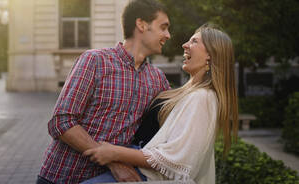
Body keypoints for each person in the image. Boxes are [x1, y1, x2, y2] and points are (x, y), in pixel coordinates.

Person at [37, 0, 172, 184]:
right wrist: (115, 163)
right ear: (141, 24)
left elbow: (176, 119)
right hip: (62, 177)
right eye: (163, 27)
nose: (168, 35)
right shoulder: (95, 60)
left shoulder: (157, 79)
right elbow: (61, 121)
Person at [83, 24, 239, 184]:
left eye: (194, 41)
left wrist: (115, 153)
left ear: (210, 56)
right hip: (137, 167)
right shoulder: (185, 92)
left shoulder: (203, 97)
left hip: (145, 175)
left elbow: (174, 159)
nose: (184, 45)